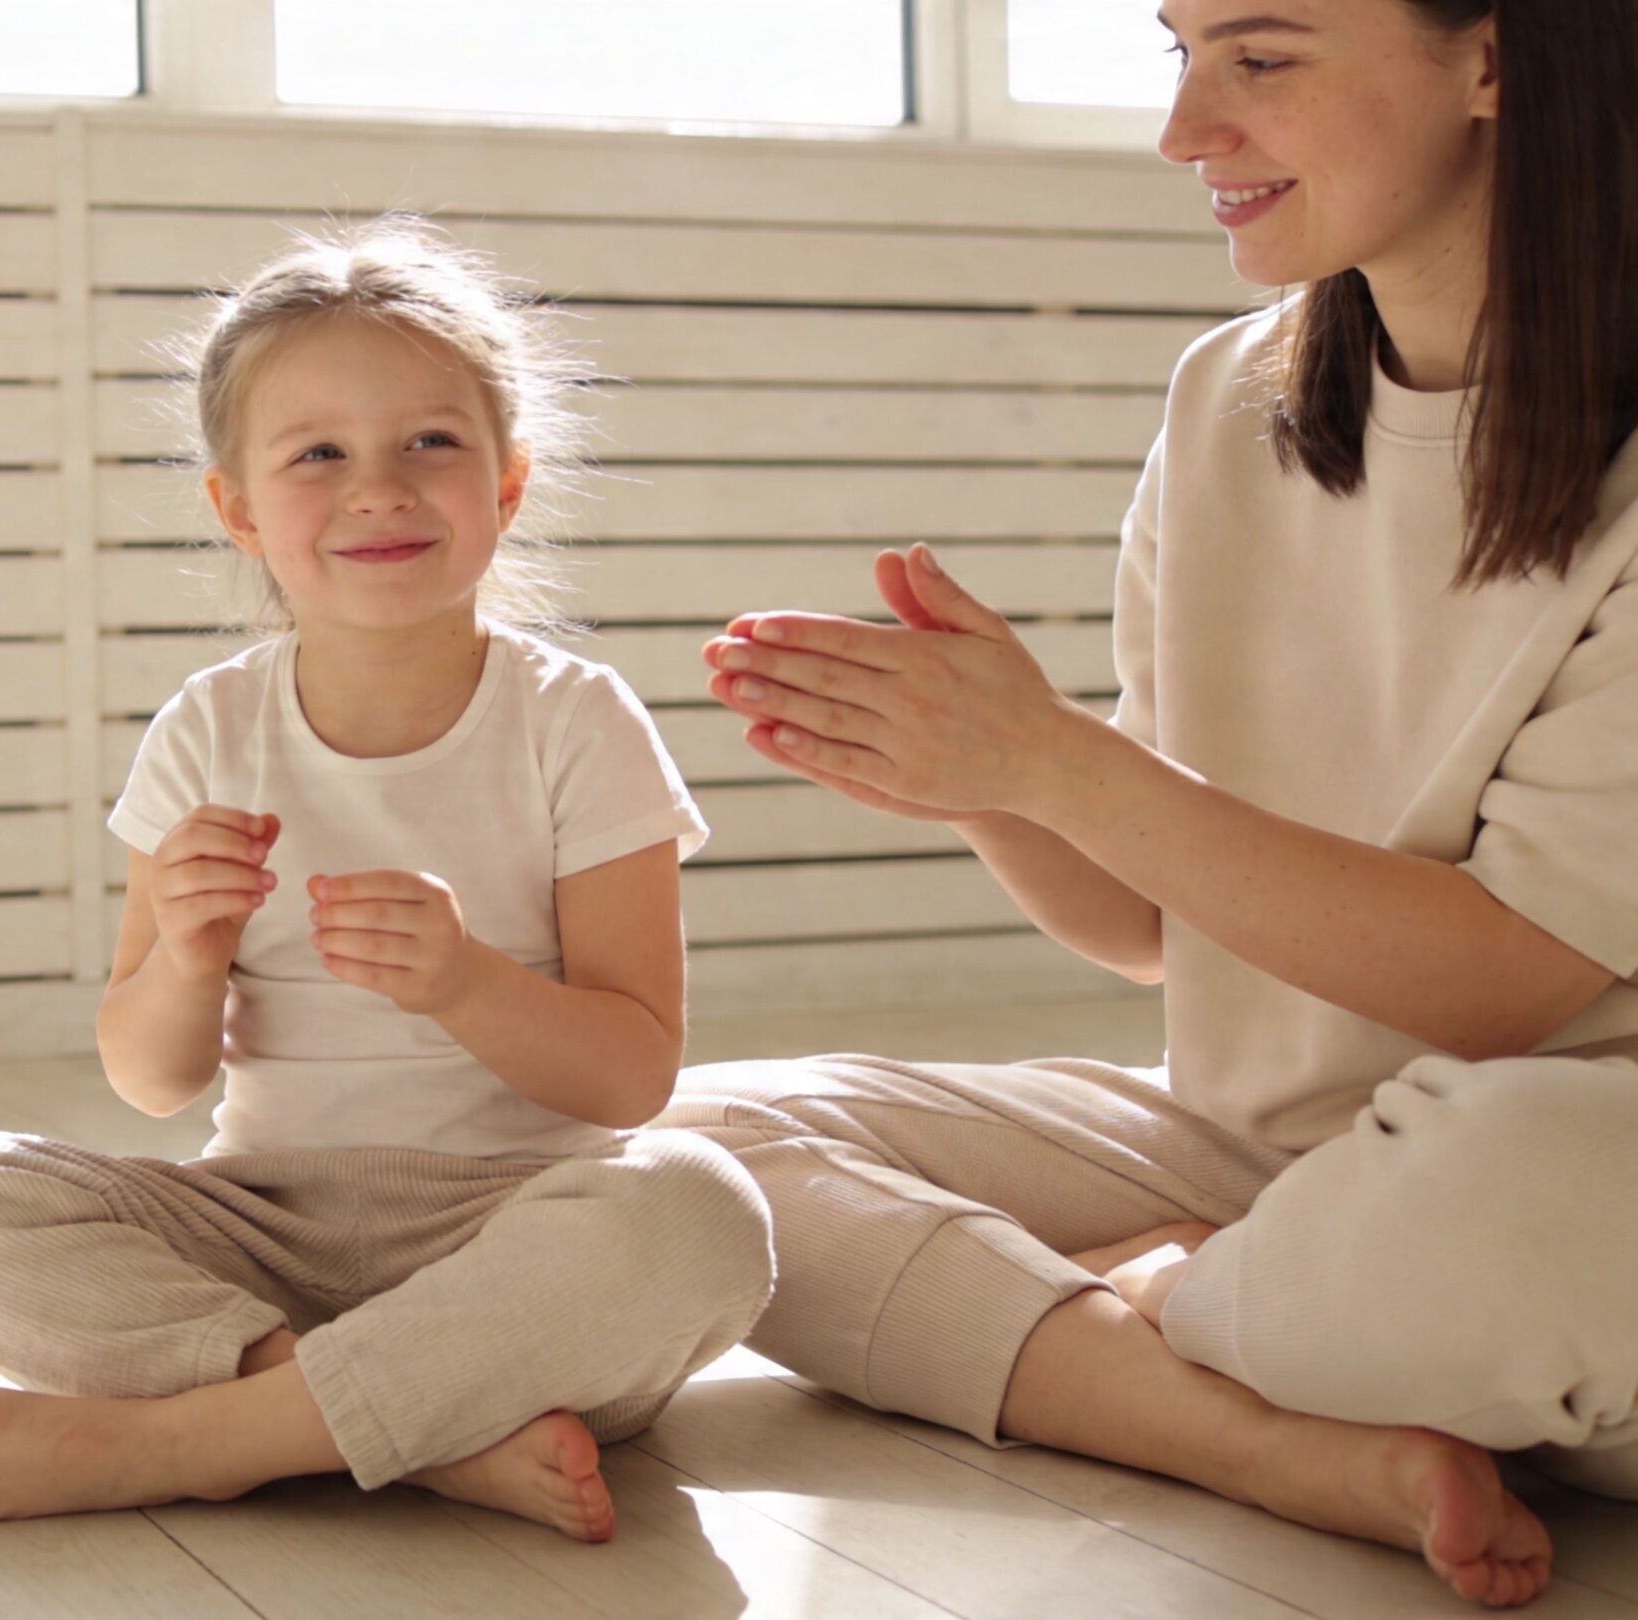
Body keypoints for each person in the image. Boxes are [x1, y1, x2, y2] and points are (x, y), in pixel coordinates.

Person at [661, 0, 1638, 1605]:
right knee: (693, 1146)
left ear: (1495, 58)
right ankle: (1264, 1424)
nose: (1187, 132)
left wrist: (1059, 765)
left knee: (1516, 1202)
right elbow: (1143, 932)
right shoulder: (1229, 401)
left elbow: (1508, 983)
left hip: (1550, 1164)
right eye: (1173, 54)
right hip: (1264, 1161)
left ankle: (1155, 1313)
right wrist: (983, 776)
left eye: (1260, 59)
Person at [0, 221, 773, 1541]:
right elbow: (152, 1078)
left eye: (432, 444)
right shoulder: (209, 728)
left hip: (509, 1235)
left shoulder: (577, 721)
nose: (379, 489)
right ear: (236, 505)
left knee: (699, 1213)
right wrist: (185, 957)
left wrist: (468, 986)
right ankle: (412, 1433)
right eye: (318, 456)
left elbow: (632, 1077)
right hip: (259, 1233)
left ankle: (186, 1443)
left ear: (509, 483)